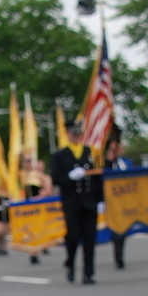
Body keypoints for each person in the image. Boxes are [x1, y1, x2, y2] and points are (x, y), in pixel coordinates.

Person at [50, 119, 100, 284]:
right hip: (72, 203)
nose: (77, 136)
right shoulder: (60, 155)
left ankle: (88, 273)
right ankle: (70, 262)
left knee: (90, 238)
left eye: (79, 133)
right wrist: (69, 177)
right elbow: (56, 178)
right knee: (73, 237)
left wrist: (101, 200)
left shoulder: (90, 152)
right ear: (68, 134)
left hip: (89, 202)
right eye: (74, 133)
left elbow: (98, 177)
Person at [101, 127, 136, 270]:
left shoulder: (126, 162)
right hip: (111, 202)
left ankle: (120, 254)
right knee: (116, 230)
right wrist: (110, 159)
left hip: (125, 201)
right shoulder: (105, 163)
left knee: (123, 229)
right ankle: (118, 256)